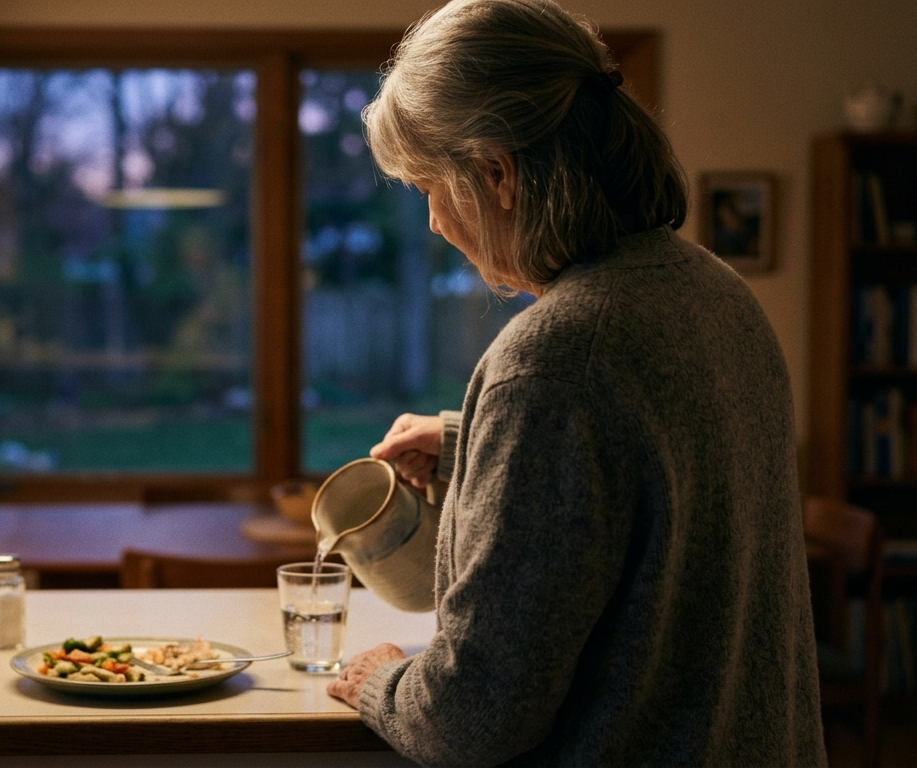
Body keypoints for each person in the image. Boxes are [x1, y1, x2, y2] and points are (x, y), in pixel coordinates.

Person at [324, 1, 826, 765]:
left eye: (428, 186)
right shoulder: (713, 288)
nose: (432, 222)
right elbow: (656, 479)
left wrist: (380, 683)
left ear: (497, 173)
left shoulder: (555, 359)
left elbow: (473, 715)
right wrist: (469, 443)